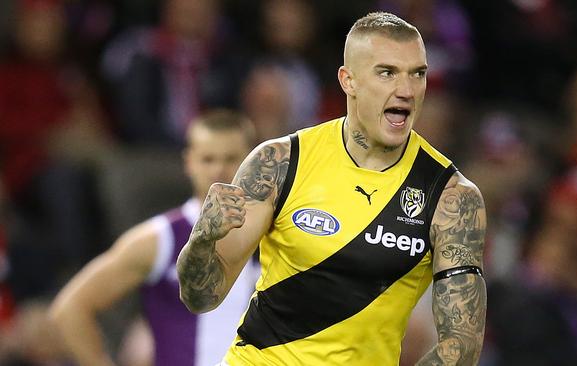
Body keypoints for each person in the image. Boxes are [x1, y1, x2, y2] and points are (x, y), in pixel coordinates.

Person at [177, 12, 487, 366]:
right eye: (387, 73)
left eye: (418, 74)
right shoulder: (279, 163)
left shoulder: (450, 197)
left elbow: (460, 347)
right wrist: (202, 238)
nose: (406, 90)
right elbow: (200, 297)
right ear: (348, 80)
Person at [49, 109, 260, 366]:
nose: (219, 169)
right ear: (189, 162)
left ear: (253, 162)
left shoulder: (275, 236)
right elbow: (71, 309)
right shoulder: (161, 238)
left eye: (231, 158)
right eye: (208, 159)